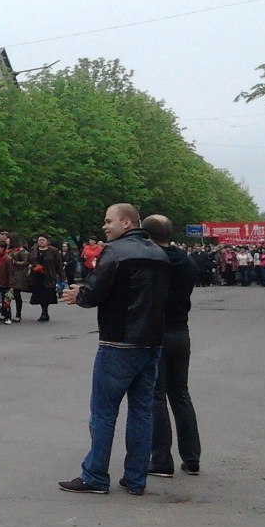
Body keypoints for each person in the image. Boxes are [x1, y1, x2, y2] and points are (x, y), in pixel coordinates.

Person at [58, 203, 169, 496]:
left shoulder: (116, 252)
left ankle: (95, 475)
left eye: (109, 221)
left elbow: (95, 291)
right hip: (152, 342)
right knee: (141, 411)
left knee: (104, 412)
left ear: (127, 223)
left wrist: (79, 295)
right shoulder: (159, 254)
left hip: (118, 341)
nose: (105, 227)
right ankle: (135, 478)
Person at [142, 215, 203, 478]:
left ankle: (161, 460)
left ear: (146, 235)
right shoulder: (185, 261)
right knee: (180, 394)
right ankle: (192, 458)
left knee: (157, 395)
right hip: (181, 330)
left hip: (157, 333)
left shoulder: (153, 261)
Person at [29, 235, 63, 322]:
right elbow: (29, 260)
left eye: (43, 240)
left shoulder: (53, 251)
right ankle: (43, 311)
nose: (41, 242)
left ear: (47, 241)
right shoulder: (34, 250)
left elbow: (58, 263)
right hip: (36, 275)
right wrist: (33, 266)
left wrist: (61, 275)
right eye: (39, 240)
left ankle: (44, 312)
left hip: (48, 275)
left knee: (47, 294)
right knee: (39, 294)